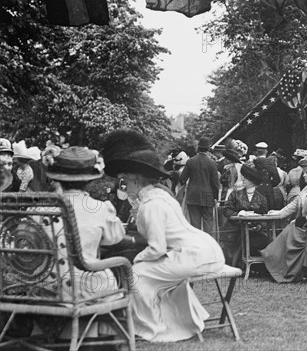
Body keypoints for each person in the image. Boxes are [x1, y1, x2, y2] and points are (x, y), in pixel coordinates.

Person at [102, 129, 225, 342]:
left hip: (194, 256)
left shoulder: (151, 205)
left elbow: (157, 248)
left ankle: (153, 328)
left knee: (137, 275)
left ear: (137, 181)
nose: (125, 186)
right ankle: (178, 321)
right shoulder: (161, 196)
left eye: (127, 182)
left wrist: (135, 259)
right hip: (207, 250)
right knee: (153, 273)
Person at [45, 146, 126, 301]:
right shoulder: (100, 208)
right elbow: (114, 238)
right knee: (119, 268)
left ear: (58, 178)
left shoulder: (40, 210)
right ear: (89, 181)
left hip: (46, 285)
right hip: (84, 288)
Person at [220, 164, 269, 267]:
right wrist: (237, 214)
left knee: (261, 239)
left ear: (252, 181)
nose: (242, 180)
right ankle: (237, 264)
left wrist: (259, 225)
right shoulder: (235, 194)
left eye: (245, 179)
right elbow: (226, 210)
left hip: (255, 230)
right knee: (239, 238)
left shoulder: (261, 198)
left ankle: (256, 266)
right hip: (236, 227)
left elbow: (264, 215)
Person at [179, 137, 220, 235]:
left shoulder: (190, 162)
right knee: (208, 225)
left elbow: (182, 179)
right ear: (208, 148)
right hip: (208, 196)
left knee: (194, 225)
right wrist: (215, 197)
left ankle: (197, 246)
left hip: (193, 196)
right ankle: (208, 246)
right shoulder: (212, 163)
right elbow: (215, 183)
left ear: (198, 147)